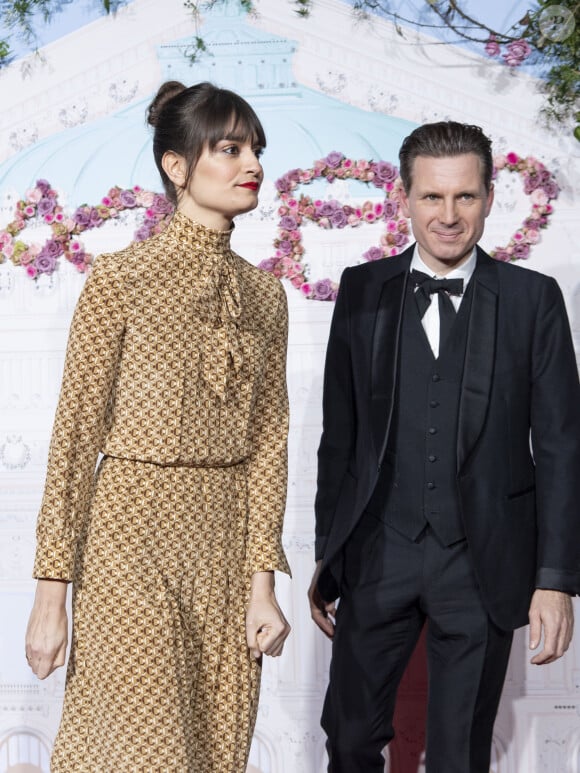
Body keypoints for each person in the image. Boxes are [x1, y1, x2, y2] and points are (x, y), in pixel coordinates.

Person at [25, 80, 291, 773]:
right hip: (128, 539)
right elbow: (75, 436)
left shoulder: (266, 294)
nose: (251, 164)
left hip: (226, 546)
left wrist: (263, 583)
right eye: (230, 148)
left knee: (212, 750)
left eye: (255, 149)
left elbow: (268, 441)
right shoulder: (120, 279)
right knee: (146, 753)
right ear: (177, 166)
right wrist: (51, 597)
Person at [308, 121, 580, 772]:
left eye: (464, 197)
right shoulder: (362, 292)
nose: (448, 215)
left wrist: (555, 581)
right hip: (378, 554)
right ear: (403, 198)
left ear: (489, 198)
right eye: (432, 197)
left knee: (458, 756)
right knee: (349, 740)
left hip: (480, 562)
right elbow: (338, 441)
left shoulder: (532, 300)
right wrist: (329, 559)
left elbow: (563, 447)